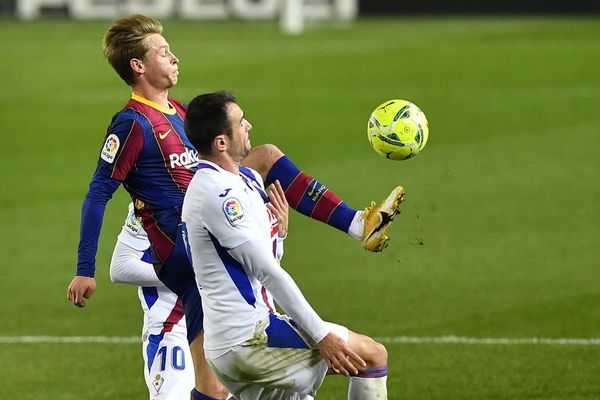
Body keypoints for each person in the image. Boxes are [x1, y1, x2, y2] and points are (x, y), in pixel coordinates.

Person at [66, 14, 403, 399]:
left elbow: (226, 172)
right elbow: (97, 194)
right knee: (218, 382)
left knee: (266, 156)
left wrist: (266, 220)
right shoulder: (131, 125)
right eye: (163, 52)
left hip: (210, 234)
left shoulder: (179, 112)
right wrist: (84, 270)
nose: (175, 57)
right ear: (138, 66)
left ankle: (360, 223)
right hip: (184, 252)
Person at [181, 91, 390, 399]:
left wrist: (278, 234)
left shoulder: (241, 181)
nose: (249, 125)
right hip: (248, 341)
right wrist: (322, 335)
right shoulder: (218, 195)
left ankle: (357, 224)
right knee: (371, 356)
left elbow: (258, 262)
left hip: (240, 340)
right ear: (221, 142)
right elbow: (268, 272)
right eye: (240, 122)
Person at [109, 203, 194, 400]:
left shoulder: (234, 188)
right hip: (171, 326)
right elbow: (120, 268)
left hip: (224, 323)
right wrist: (189, 274)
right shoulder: (151, 197)